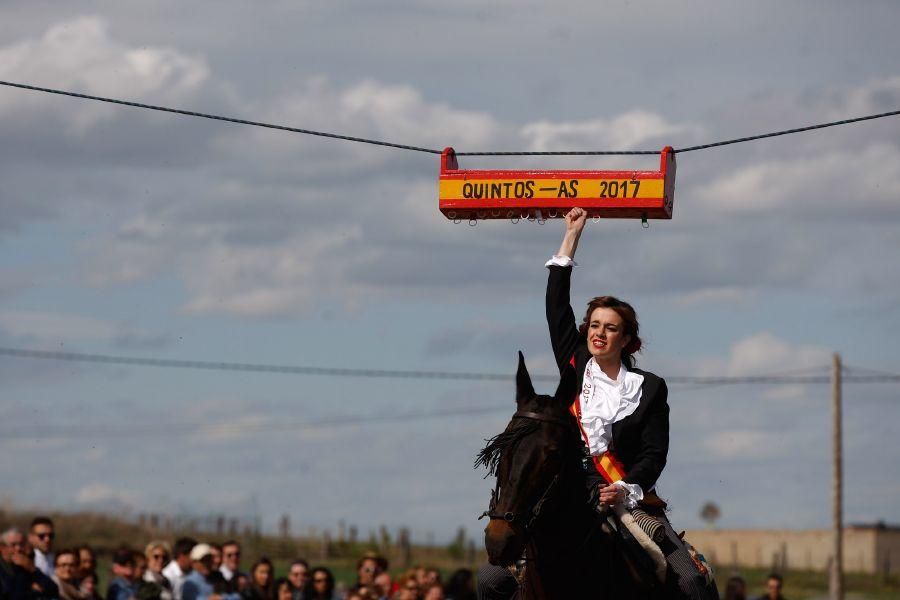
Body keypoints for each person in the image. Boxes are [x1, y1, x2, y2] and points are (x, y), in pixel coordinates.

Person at [542, 207, 717, 598]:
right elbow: (556, 304)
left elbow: (654, 454)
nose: (598, 333)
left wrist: (623, 487)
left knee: (690, 581)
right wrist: (572, 236)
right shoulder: (574, 361)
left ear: (627, 340)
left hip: (626, 496)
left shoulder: (650, 388)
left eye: (610, 328)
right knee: (493, 579)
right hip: (569, 491)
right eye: (594, 325)